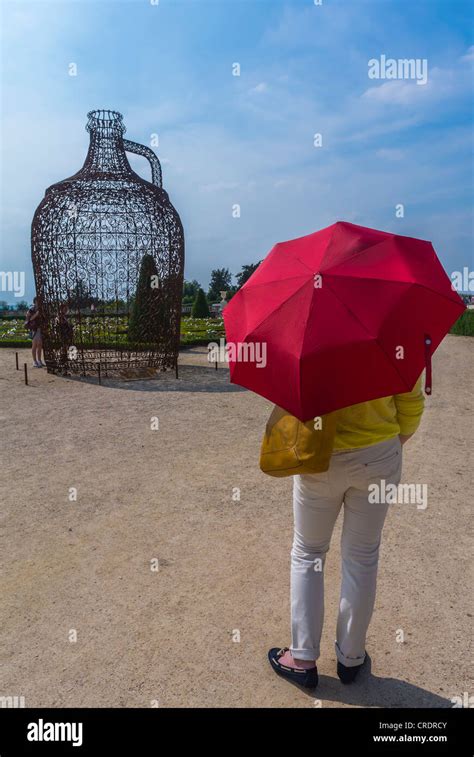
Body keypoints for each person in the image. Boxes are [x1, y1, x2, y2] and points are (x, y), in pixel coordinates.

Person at [268, 377, 425, 689]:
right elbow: (411, 402)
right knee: (362, 557)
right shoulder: (389, 330)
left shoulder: (305, 332)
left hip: (319, 452)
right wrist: (387, 446)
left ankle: (302, 659)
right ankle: (351, 658)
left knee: (308, 553)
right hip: (379, 454)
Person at [25, 297, 44, 368]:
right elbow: (29, 319)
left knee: (40, 345)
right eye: (37, 301)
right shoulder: (32, 309)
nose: (38, 302)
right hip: (34, 329)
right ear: (35, 301)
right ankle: (34, 361)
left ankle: (39, 360)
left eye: (39, 301)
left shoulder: (41, 309)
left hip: (40, 328)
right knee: (35, 345)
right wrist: (36, 314)